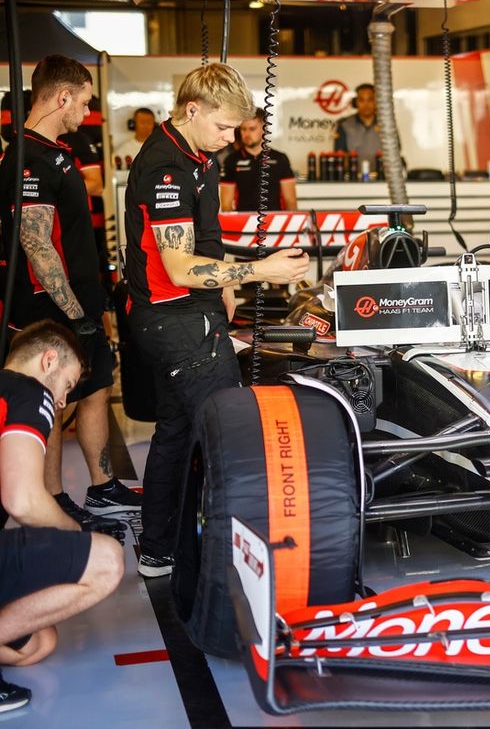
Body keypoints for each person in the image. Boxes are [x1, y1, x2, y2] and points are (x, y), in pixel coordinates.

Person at [124, 63, 310, 578]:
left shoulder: (200, 156)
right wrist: (258, 271)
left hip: (190, 311)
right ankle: (235, 562)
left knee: (178, 433)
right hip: (173, 318)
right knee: (232, 432)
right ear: (192, 109)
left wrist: (226, 284)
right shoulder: (166, 166)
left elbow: (202, 239)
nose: (230, 138)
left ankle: (160, 549)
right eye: (224, 127)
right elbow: (180, 265)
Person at [0, 55, 141, 527]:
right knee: (53, 395)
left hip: (81, 300)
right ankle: (54, 495)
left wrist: (92, 302)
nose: (84, 113)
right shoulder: (28, 158)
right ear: (62, 96)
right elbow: (36, 243)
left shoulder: (57, 151)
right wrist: (74, 311)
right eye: (81, 102)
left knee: (97, 384)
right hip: (49, 307)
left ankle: (103, 490)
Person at [0, 321, 125, 712]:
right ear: (48, 360)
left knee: (39, 642)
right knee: (105, 560)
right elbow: (21, 500)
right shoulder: (29, 391)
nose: (60, 402)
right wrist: (75, 535)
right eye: (67, 386)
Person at [219, 108, 298, 211]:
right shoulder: (231, 161)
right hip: (243, 223)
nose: (247, 134)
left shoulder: (280, 159)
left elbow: (291, 201)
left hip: (275, 222)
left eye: (252, 129)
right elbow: (226, 205)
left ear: (264, 128)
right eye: (243, 129)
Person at [333, 83, 397, 170]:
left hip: (382, 177)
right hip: (353, 179)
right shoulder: (344, 124)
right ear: (355, 103)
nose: (366, 105)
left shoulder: (387, 124)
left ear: (376, 102)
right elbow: (340, 154)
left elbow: (395, 151)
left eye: (370, 100)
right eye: (361, 100)